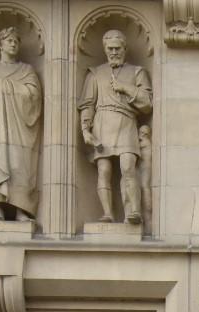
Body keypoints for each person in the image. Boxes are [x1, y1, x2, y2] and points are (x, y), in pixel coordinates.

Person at [78, 31, 151, 226]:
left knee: (128, 167)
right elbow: (87, 104)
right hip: (102, 122)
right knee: (104, 169)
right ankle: (108, 213)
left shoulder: (137, 72)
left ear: (125, 49)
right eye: (110, 49)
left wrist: (125, 88)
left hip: (127, 121)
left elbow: (147, 103)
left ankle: (132, 212)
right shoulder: (95, 73)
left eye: (117, 48)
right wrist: (85, 129)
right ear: (104, 50)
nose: (114, 52)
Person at [0, 25, 42, 222]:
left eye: (16, 41)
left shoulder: (27, 70)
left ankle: (21, 210)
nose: (13, 43)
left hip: (21, 125)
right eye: (9, 40)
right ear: (0, 44)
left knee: (21, 166)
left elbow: (35, 96)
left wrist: (10, 89)